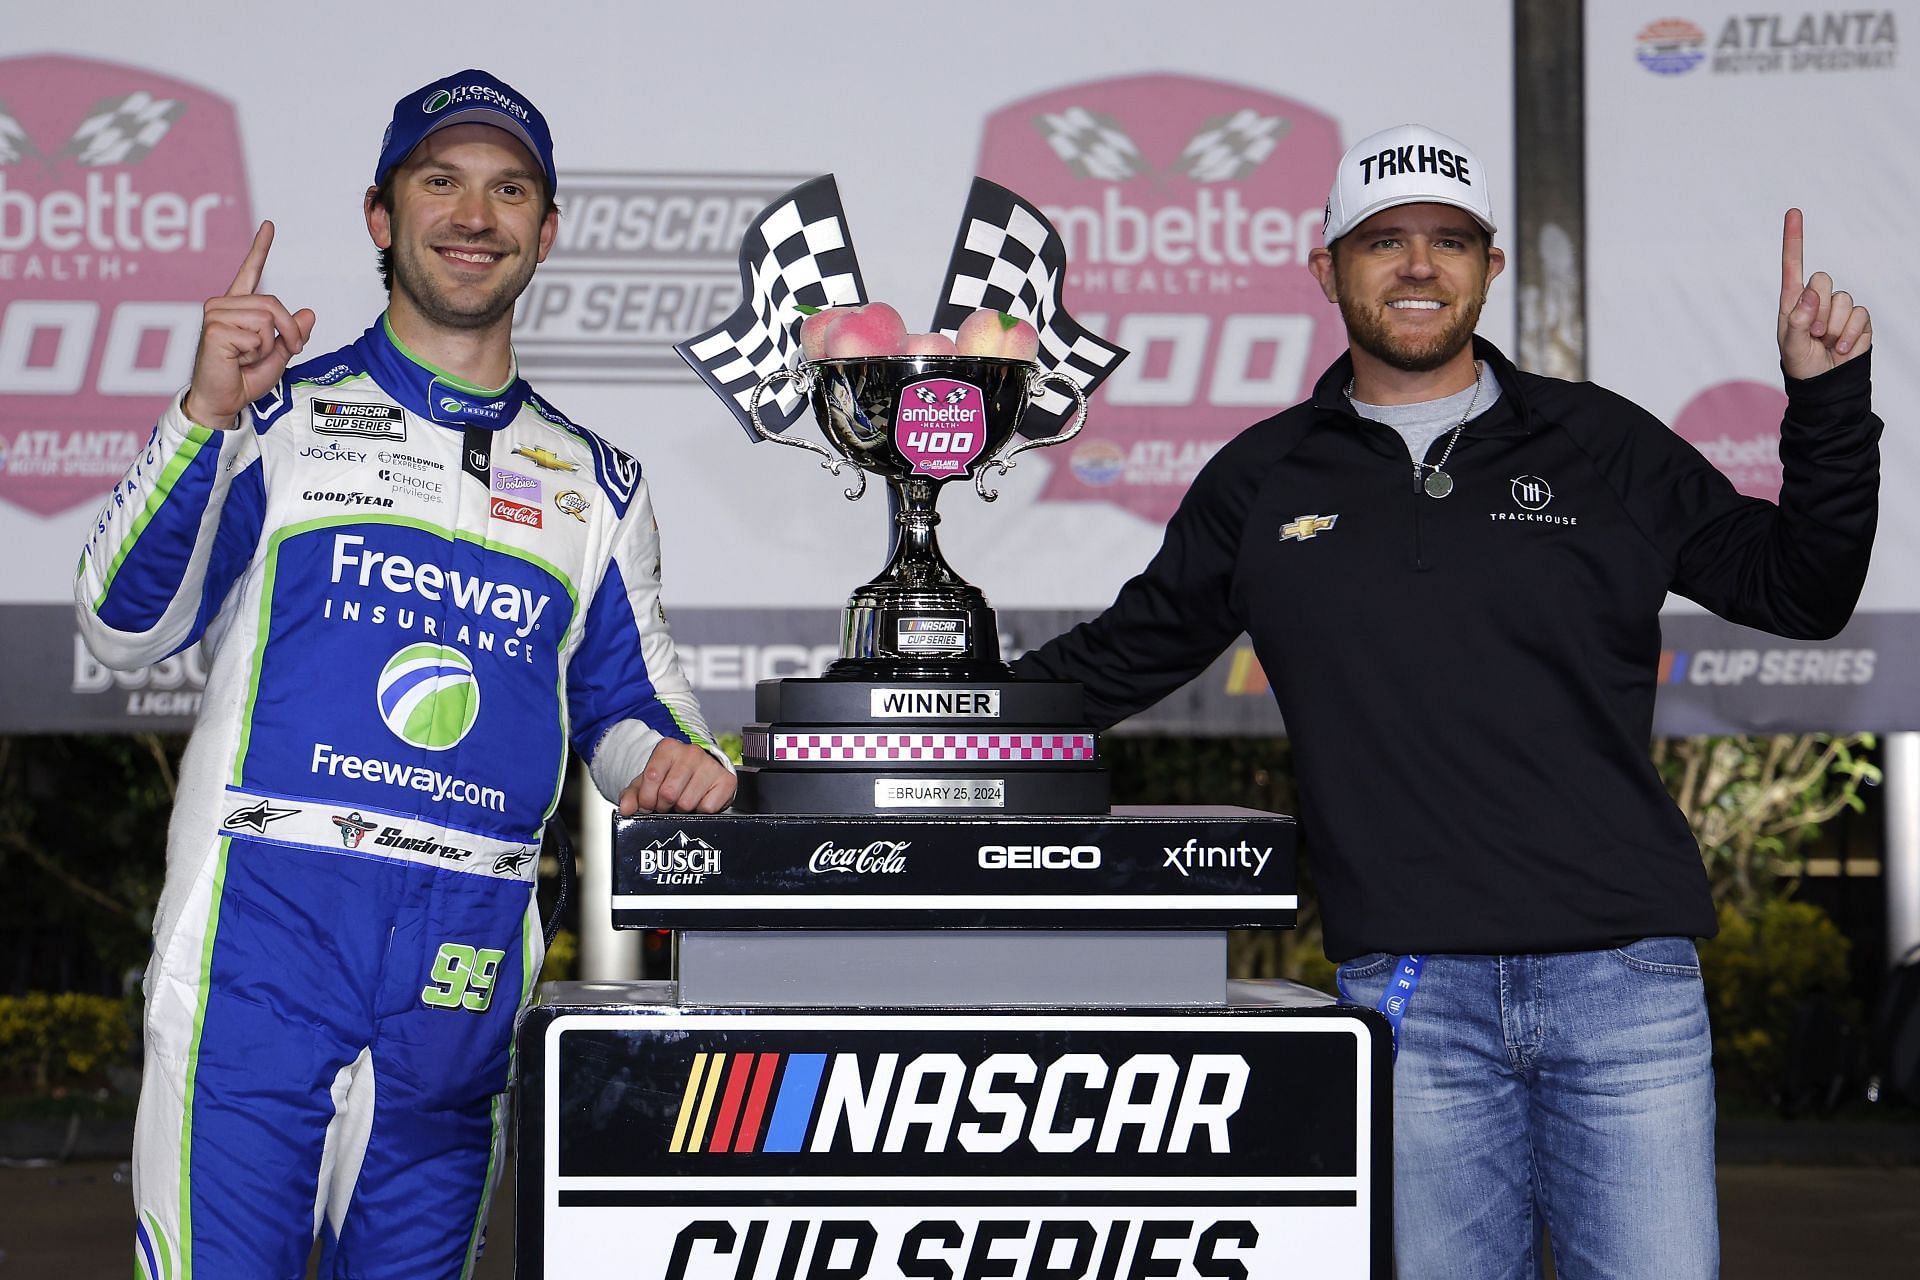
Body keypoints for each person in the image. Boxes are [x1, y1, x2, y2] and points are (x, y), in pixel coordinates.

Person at [1013, 123, 1877, 1278]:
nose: (1418, 264)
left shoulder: (1600, 442)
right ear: (1326, 269)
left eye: (1448, 239)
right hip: (1411, 1004)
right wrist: (903, 711)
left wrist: (1824, 406)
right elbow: (1119, 657)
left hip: (1625, 990)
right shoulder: (1265, 478)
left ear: (1490, 268)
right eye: (1383, 241)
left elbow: (1802, 591)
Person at [75, 69, 734, 1279]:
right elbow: (122, 624)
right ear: (382, 216)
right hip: (262, 939)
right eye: (441, 181)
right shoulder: (280, 417)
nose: (473, 214)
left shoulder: (597, 483)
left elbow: (635, 715)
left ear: (547, 227)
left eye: (508, 188)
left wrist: (681, 767)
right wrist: (201, 415)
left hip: (462, 965)